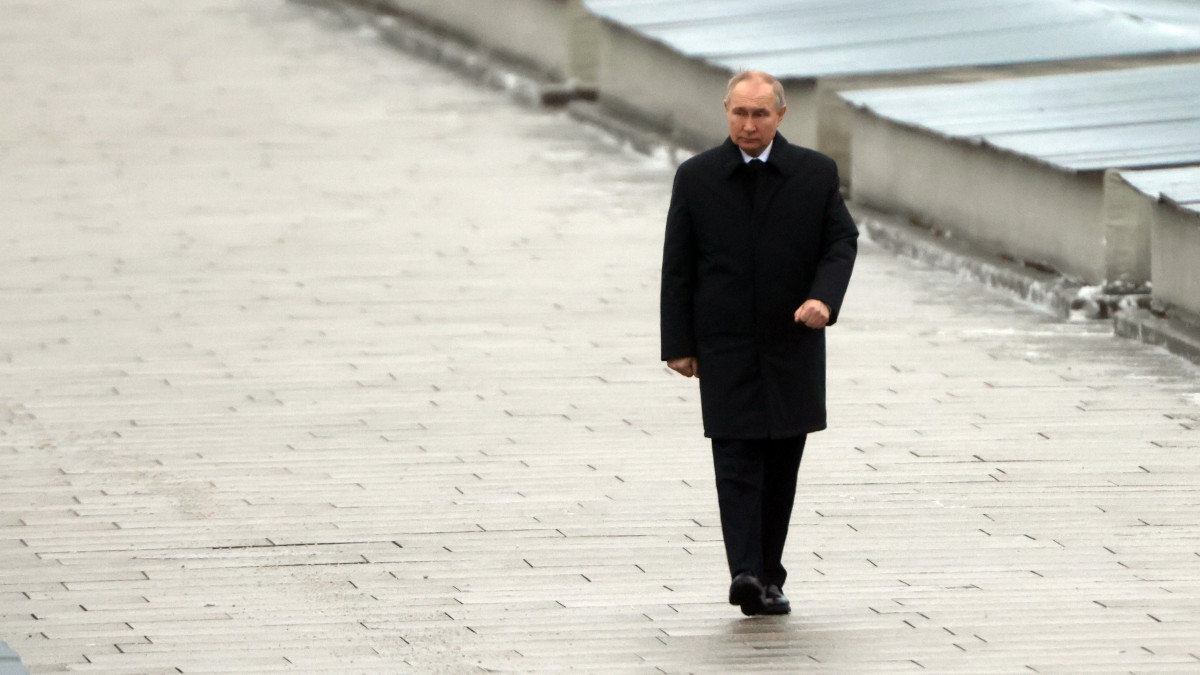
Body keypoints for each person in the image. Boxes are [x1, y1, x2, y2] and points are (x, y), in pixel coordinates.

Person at [660, 70, 857, 616]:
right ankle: (745, 572)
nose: (749, 125)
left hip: (791, 343)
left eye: (760, 114)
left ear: (781, 116)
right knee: (736, 458)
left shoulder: (814, 174)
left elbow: (841, 241)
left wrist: (825, 299)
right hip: (724, 346)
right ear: (726, 111)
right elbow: (677, 266)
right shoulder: (696, 177)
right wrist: (678, 342)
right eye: (740, 113)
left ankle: (770, 573)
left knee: (781, 464)